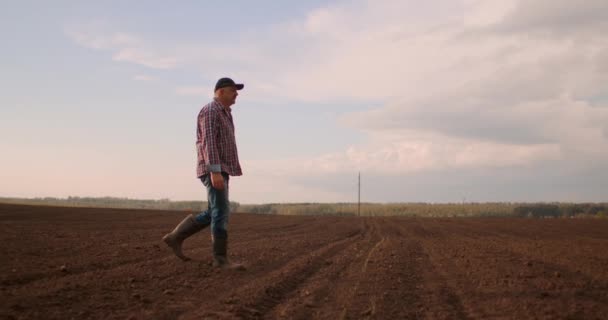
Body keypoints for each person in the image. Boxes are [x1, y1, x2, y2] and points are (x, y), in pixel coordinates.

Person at [163, 77, 245, 270]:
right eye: (233, 90)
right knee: (221, 212)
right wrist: (215, 171)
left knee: (214, 211)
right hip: (214, 169)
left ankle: (175, 237)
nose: (236, 94)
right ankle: (220, 260)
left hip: (221, 169)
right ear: (220, 91)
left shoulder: (225, 113)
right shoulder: (210, 110)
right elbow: (208, 142)